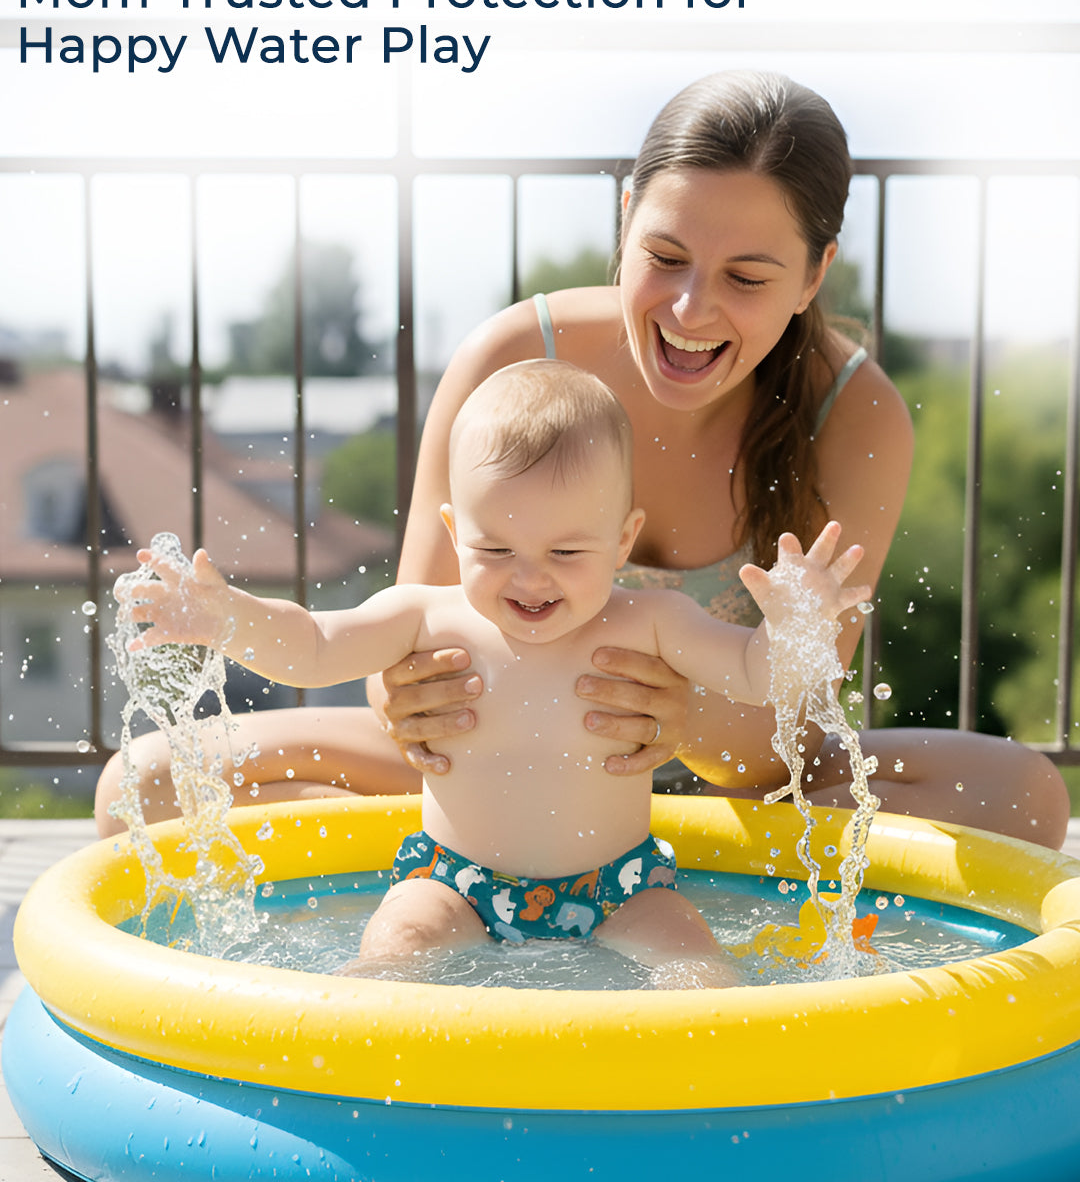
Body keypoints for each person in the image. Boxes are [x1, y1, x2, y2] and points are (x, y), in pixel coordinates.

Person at [95, 70, 1070, 847]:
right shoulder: (516, 359)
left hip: (734, 795)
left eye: (746, 276)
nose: (690, 311)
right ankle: (477, 862)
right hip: (497, 760)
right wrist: (472, 717)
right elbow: (405, 677)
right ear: (626, 219)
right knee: (143, 786)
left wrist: (671, 713)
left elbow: (778, 735)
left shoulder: (854, 417)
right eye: (666, 257)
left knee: (1022, 797)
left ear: (815, 274)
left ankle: (646, 869)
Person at [119, 361, 869, 982]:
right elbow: (314, 645)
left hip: (623, 887)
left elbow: (752, 675)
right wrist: (230, 618)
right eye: (495, 550)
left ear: (623, 540)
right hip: (456, 884)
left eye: (567, 552)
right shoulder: (425, 615)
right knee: (393, 955)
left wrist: (794, 628)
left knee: (701, 972)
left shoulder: (653, 621)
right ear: (455, 532)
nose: (530, 577)